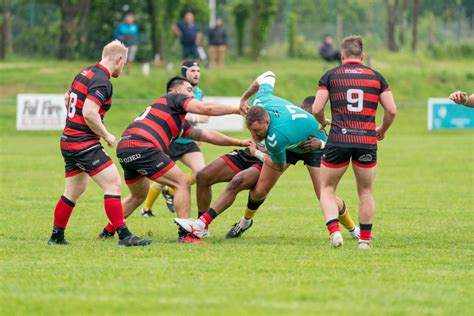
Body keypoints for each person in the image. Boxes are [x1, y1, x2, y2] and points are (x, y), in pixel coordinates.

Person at [175, 72, 358, 241]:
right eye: (251, 131)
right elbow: (268, 74)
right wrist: (244, 98)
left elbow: (279, 165)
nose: (254, 135)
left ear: (267, 122)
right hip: (287, 146)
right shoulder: (261, 100)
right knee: (259, 189)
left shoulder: (276, 137)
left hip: (313, 149)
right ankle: (244, 221)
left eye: (257, 131)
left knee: (324, 194)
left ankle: (353, 229)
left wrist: (258, 153)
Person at [97, 76, 249, 243]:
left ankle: (107, 231)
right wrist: (236, 110)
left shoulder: (176, 119)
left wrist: (239, 142)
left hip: (125, 147)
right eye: (189, 90)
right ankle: (186, 235)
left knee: (138, 195)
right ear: (175, 91)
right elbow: (205, 109)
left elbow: (206, 135)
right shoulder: (174, 98)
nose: (192, 95)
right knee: (181, 182)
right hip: (142, 145)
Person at [48, 40, 151, 247]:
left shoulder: (85, 72)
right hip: (83, 143)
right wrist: (106, 135)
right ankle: (124, 236)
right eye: (125, 62)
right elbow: (89, 112)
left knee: (74, 191)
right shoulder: (102, 81)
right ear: (119, 59)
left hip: (68, 140)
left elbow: (68, 98)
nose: (123, 66)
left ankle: (56, 236)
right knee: (113, 183)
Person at [313, 35, 397, 249]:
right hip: (366, 140)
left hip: (339, 139)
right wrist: (382, 130)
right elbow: (392, 110)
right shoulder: (376, 77)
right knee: (366, 191)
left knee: (327, 188)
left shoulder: (330, 76)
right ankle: (364, 241)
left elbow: (316, 108)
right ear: (363, 55)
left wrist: (323, 122)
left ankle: (335, 233)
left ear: (342, 55)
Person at [141, 60, 207, 217]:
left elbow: (194, 113)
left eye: (198, 70)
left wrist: (197, 133)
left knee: (201, 173)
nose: (196, 73)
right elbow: (179, 115)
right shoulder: (175, 93)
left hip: (188, 141)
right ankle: (146, 209)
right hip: (172, 140)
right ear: (184, 73)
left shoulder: (199, 93)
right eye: (192, 71)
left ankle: (170, 191)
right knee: (160, 179)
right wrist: (198, 120)